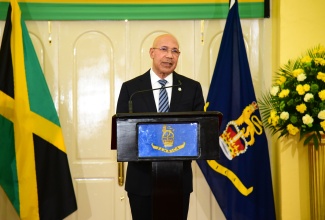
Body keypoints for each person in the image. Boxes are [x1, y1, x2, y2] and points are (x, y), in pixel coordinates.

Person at [116, 33, 205, 220]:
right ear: (152, 53)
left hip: (178, 180)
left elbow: (200, 132)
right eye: (164, 49)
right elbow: (121, 132)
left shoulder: (192, 88)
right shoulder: (132, 89)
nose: (169, 56)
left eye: (175, 51)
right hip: (141, 181)